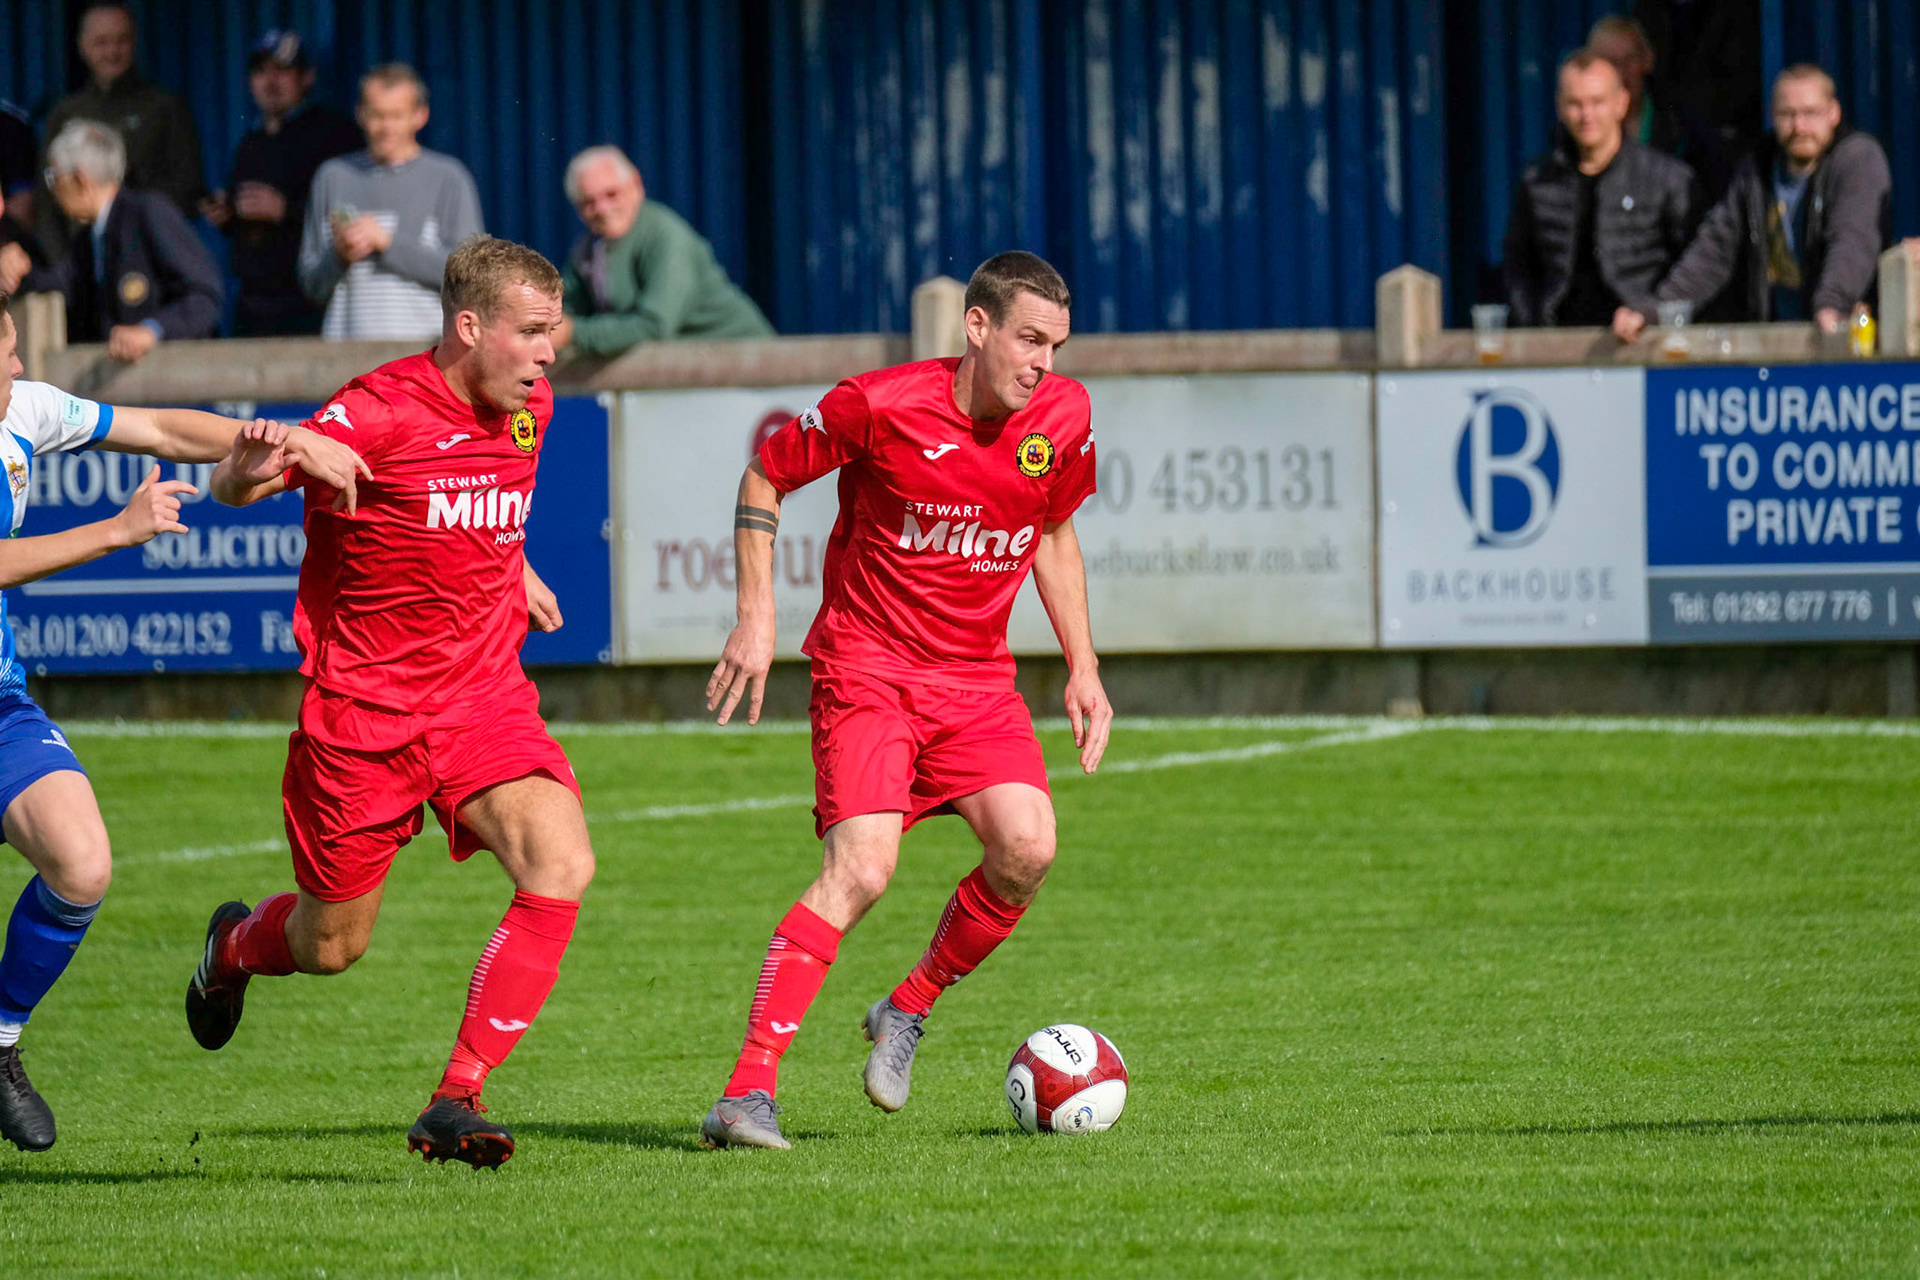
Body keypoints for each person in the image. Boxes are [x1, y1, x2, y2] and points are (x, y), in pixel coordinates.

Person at [183, 237, 589, 1172]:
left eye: (553, 335)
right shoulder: (376, 410)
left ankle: (457, 1099)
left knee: (560, 861)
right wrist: (246, 465)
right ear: (469, 327)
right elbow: (235, 489)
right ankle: (235, 947)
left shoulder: (532, 408)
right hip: (363, 721)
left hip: (483, 700)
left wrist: (511, 566)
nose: (548, 355)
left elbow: (472, 505)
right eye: (531, 334)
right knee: (330, 948)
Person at [698, 250, 1113, 1150]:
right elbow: (765, 475)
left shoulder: (1066, 416)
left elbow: (1052, 533)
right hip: (869, 669)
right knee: (864, 870)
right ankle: (744, 1095)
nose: (1043, 363)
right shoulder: (879, 404)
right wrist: (757, 616)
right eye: (1029, 340)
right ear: (977, 327)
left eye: (1057, 346)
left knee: (1029, 847)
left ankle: (907, 1007)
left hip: (976, 683)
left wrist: (1083, 664)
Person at [0, 291, 366, 1153]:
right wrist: (114, 532)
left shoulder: (23, 410)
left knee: (81, 862)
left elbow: (165, 429)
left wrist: (292, 442)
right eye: (6, 352)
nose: (18, 369)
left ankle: (1, 1040)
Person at [1644, 64, 1893, 336]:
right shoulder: (1757, 168)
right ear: (1772, 115)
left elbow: (1853, 241)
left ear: (1834, 113)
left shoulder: (1857, 159)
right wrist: (1656, 311)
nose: (1799, 126)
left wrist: (1832, 305)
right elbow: (1714, 250)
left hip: (1849, 336)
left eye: (1811, 113)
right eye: (1787, 114)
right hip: (1776, 343)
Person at [1502, 49, 1698, 341]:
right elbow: (1518, 265)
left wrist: (1650, 313)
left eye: (1597, 102)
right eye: (1575, 104)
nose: (1587, 115)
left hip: (1642, 344)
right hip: (1555, 347)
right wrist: (1531, 324)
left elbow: (1692, 265)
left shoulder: (1667, 179)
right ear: (1559, 106)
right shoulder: (1537, 182)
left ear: (1621, 103)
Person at [298, 64, 484, 341]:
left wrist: (386, 243)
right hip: (345, 356)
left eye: (396, 116)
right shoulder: (332, 177)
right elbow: (311, 284)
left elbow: (471, 279)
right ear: (360, 114)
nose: (385, 127)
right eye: (376, 115)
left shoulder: (448, 179)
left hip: (422, 358)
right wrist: (338, 256)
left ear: (420, 116)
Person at [9, 121, 221, 360]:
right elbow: (59, 286)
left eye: (54, 177)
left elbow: (205, 296)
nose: (52, 190)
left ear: (80, 180)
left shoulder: (148, 213)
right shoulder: (89, 237)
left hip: (179, 380)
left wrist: (152, 330)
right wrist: (16, 267)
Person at [203, 31, 363, 337]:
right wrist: (227, 213)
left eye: (282, 70)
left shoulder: (333, 132)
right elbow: (246, 212)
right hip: (254, 303)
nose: (270, 81)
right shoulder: (251, 141)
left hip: (309, 302)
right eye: (261, 72)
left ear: (307, 77)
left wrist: (284, 210)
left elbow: (352, 214)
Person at [554, 145, 772, 356]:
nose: (602, 208)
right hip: (685, 372)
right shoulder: (588, 251)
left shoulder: (664, 237)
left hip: (748, 364)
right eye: (589, 202)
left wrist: (573, 334)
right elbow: (566, 311)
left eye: (612, 194)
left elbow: (654, 326)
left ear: (636, 185)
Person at [36, 3, 205, 261]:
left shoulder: (164, 107)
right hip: (84, 264)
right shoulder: (65, 113)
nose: (112, 51)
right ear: (82, 46)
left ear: (134, 43)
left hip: (149, 260)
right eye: (101, 42)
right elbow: (47, 203)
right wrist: (64, 267)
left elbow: (188, 191)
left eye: (121, 40)